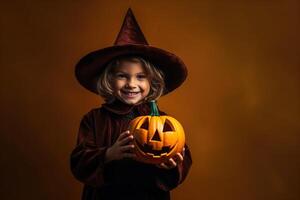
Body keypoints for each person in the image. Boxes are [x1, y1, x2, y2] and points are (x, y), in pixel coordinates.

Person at [70, 8, 192, 200]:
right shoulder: (94, 119)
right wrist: (109, 154)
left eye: (141, 77)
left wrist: (173, 165)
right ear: (109, 80)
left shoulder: (164, 122)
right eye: (122, 76)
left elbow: (182, 159)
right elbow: (79, 162)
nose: (131, 84)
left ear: (152, 82)